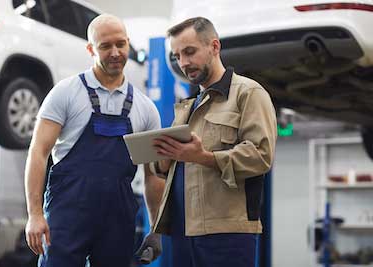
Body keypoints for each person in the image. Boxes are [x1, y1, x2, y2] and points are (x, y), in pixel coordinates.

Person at [24, 14, 164, 267]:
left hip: (117, 218)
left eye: (120, 44)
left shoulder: (145, 109)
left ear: (128, 44)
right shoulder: (65, 93)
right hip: (67, 214)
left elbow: (153, 175)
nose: (115, 52)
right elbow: (38, 152)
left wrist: (155, 229)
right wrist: (34, 214)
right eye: (105, 46)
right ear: (90, 49)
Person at [141, 17, 277, 267]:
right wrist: (161, 157)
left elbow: (261, 156)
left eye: (190, 52)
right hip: (183, 231)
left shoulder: (248, 94)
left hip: (227, 232)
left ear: (214, 46)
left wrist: (204, 157)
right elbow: (165, 169)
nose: (184, 63)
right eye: (177, 55)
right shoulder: (188, 107)